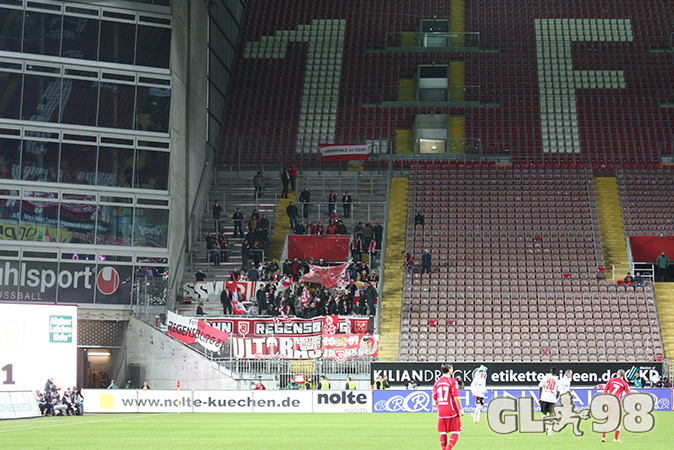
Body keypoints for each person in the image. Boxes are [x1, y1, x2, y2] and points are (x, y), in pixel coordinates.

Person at [433, 363, 464, 450]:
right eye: (452, 369)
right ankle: (448, 449)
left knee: (443, 432)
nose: (453, 370)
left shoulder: (437, 382)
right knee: (456, 431)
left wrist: (438, 408)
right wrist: (461, 409)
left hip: (441, 410)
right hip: (451, 410)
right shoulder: (453, 381)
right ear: (450, 370)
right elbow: (456, 396)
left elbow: (435, 398)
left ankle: (443, 448)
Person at [601, 369, 631, 443]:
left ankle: (603, 436)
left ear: (617, 373)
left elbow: (605, 391)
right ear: (623, 375)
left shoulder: (611, 380)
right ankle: (616, 438)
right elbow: (628, 394)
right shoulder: (624, 383)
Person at [538, 366, 560, 436]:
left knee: (544, 414)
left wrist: (540, 398)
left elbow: (540, 387)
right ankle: (549, 430)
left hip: (544, 398)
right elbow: (558, 391)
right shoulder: (557, 380)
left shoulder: (545, 378)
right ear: (556, 373)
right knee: (551, 415)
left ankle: (545, 429)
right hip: (552, 399)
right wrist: (555, 399)